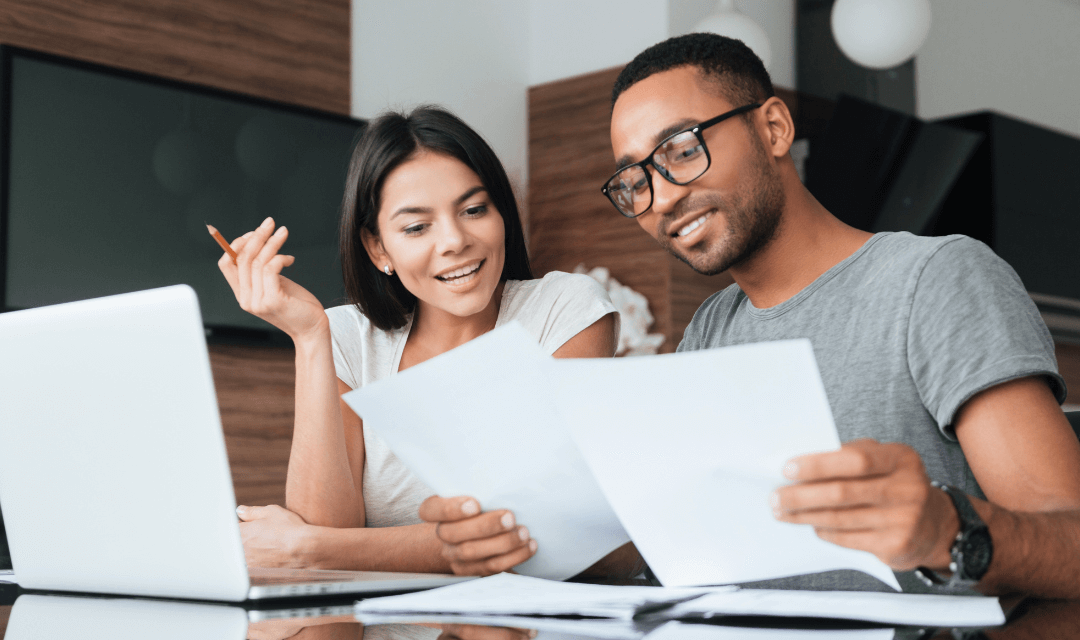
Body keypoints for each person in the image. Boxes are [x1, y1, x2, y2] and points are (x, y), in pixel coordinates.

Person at [425, 34, 1080, 597]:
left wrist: (947, 528)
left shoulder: (935, 280)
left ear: (773, 128)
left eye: (681, 149)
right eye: (635, 180)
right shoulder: (711, 328)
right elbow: (673, 545)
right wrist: (521, 540)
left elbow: (1070, 544)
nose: (661, 199)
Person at [215, 106, 629, 576]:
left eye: (474, 210)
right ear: (378, 249)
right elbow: (326, 542)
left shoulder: (563, 310)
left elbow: (542, 531)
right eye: (417, 227)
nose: (454, 240)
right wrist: (310, 339)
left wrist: (306, 548)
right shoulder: (347, 336)